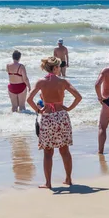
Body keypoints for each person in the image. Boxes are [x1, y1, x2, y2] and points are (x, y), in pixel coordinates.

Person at [26, 57, 82, 189]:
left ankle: (48, 183)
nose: (60, 68)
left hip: (48, 117)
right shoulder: (63, 82)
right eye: (59, 66)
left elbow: (29, 99)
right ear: (55, 68)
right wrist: (68, 108)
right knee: (64, 149)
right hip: (61, 116)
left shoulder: (41, 82)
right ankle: (68, 179)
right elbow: (78, 97)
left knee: (48, 152)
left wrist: (38, 110)